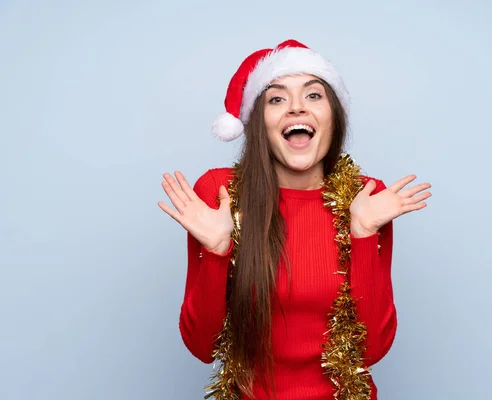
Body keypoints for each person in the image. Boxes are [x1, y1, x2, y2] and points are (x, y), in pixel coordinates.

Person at [158, 39, 432, 400]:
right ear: (259, 122)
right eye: (277, 98)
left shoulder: (365, 198)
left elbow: (372, 350)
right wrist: (216, 251)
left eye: (314, 95)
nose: (296, 108)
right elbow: (202, 347)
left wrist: (363, 234)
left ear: (334, 116)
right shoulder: (221, 193)